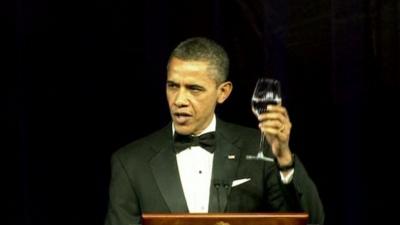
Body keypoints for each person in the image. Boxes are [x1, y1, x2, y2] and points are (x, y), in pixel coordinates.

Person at [104, 37, 324, 225]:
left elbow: (312, 221)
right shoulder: (130, 163)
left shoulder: (258, 147)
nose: (179, 100)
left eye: (194, 89)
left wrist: (284, 159)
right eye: (173, 86)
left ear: (223, 92)